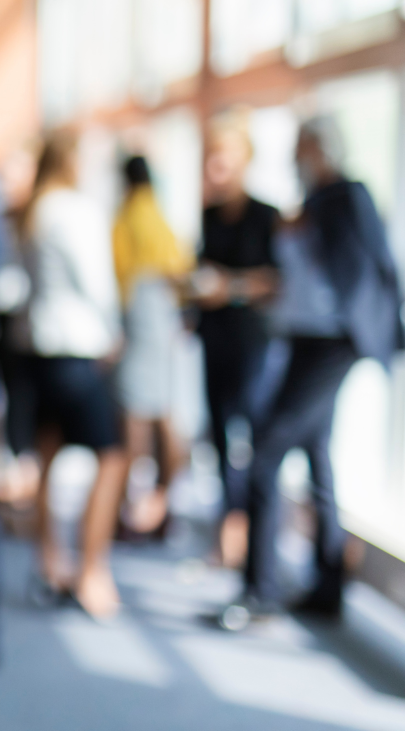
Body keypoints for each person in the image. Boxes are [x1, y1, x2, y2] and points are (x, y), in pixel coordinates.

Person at [219, 116, 404, 630]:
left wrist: (374, 332)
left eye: (302, 148)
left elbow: (373, 271)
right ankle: (327, 584)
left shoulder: (346, 198)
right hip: (302, 340)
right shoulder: (310, 207)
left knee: (265, 452)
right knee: (316, 454)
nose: (295, 158)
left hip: (331, 344)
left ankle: (260, 591)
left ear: (321, 149)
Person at [19, 130, 127, 620]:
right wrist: (113, 332)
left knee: (48, 453)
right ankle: (91, 571)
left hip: (38, 348)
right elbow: (96, 282)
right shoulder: (77, 211)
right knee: (111, 457)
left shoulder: (32, 211)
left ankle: (50, 561)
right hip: (78, 348)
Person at [193, 113, 280, 569]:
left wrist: (232, 288)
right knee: (219, 436)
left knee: (251, 436)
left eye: (223, 161)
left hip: (251, 343)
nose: (215, 171)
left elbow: (276, 281)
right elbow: (201, 269)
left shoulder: (266, 215)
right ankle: (226, 526)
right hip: (213, 338)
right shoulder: (208, 214)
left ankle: (245, 532)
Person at [111, 156, 194, 540]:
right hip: (165, 320)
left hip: (139, 318)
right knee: (163, 411)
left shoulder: (127, 216)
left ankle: (129, 508)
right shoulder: (161, 216)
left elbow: (115, 274)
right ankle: (163, 503)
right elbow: (183, 269)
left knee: (134, 414)